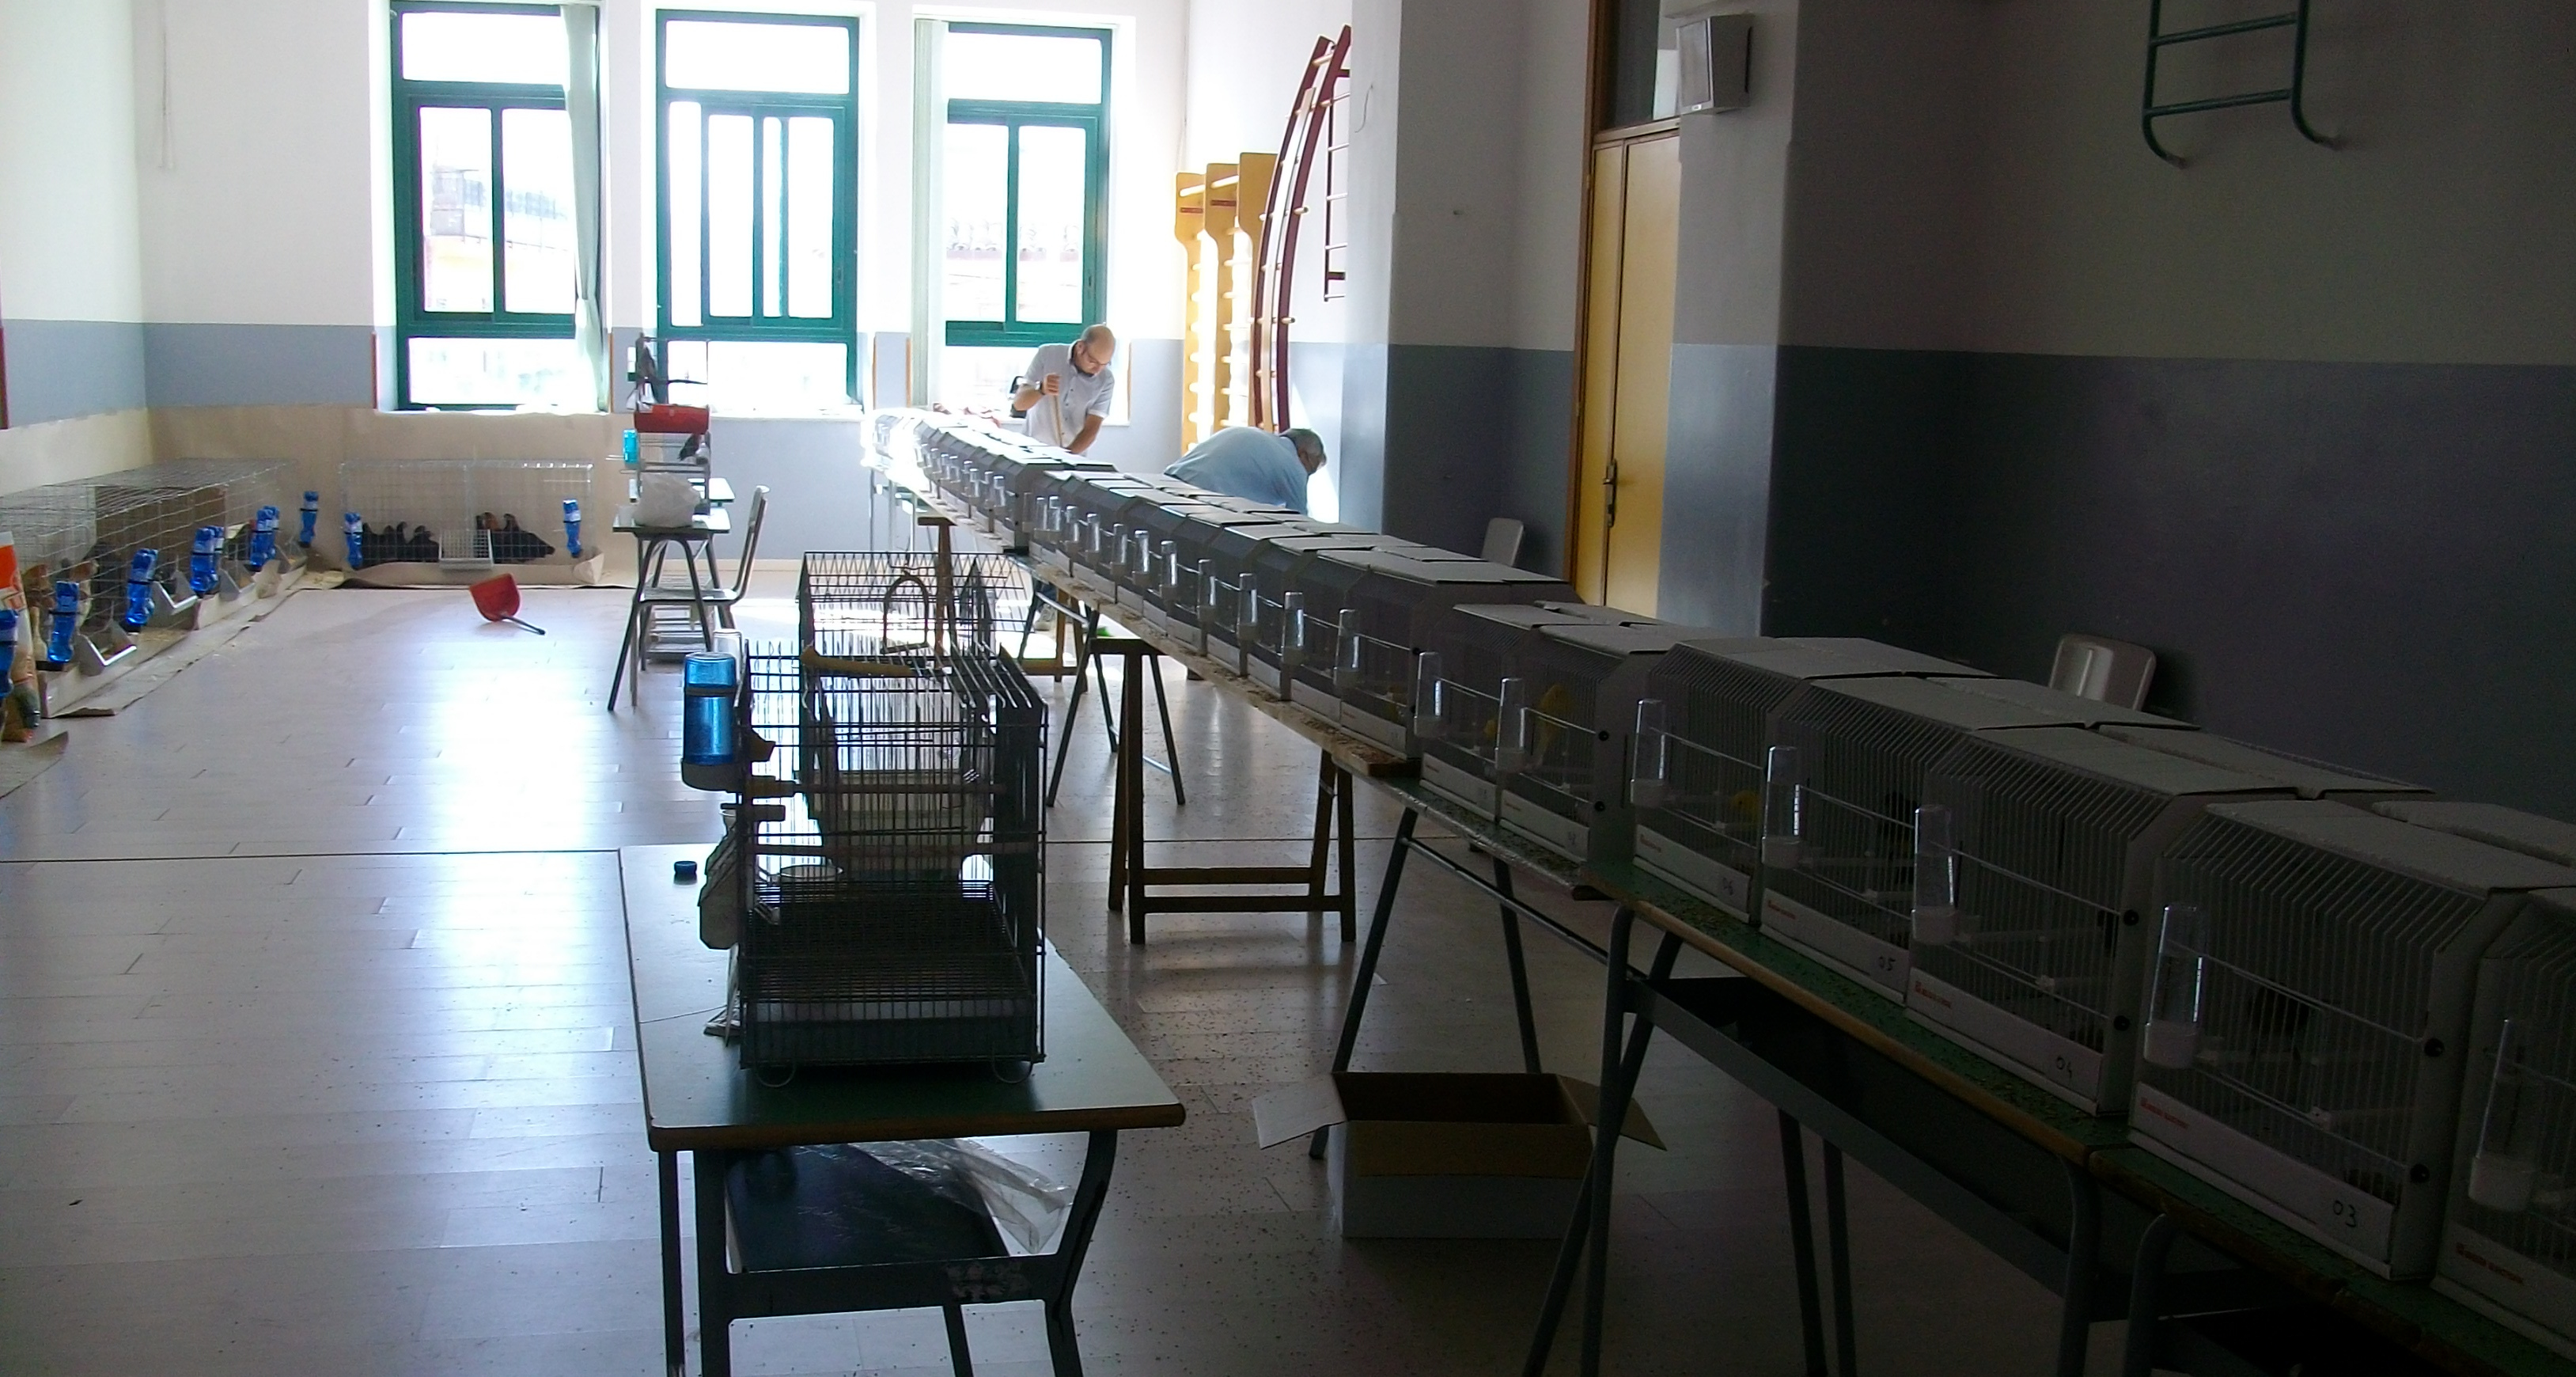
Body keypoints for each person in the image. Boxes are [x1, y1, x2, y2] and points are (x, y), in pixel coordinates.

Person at [1164, 426, 1328, 514]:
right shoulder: (1294, 466)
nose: (1308, 475)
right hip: (1201, 499)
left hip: (1168, 484)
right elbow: (1300, 524)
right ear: (1303, 455)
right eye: (1312, 468)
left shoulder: (1249, 432)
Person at [1010, 324, 1117, 454]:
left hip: (1072, 456)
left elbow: (1091, 430)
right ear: (1080, 347)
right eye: (1092, 361)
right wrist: (1041, 390)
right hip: (1032, 452)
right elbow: (1019, 404)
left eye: (1104, 364)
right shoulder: (1047, 354)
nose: (1097, 370)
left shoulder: (1106, 379)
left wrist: (1066, 457)